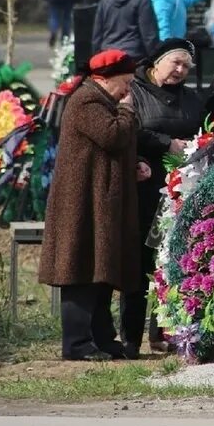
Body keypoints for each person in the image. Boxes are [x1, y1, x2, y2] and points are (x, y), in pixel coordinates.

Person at [38, 49, 152, 361]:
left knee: (100, 275)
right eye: (125, 82)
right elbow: (112, 136)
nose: (127, 90)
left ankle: (102, 339)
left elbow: (117, 147)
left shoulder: (103, 101)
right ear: (104, 78)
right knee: (80, 273)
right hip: (82, 204)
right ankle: (76, 344)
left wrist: (136, 162)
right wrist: (128, 112)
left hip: (98, 202)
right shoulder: (87, 101)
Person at [126, 39, 205, 353]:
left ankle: (164, 332)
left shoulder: (191, 98)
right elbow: (129, 129)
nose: (180, 70)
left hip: (179, 191)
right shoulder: (134, 92)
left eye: (186, 66)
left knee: (171, 258)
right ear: (156, 63)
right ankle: (130, 337)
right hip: (144, 186)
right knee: (140, 260)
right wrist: (166, 143)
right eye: (175, 62)